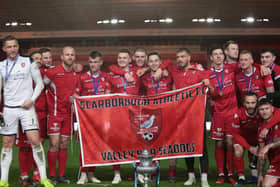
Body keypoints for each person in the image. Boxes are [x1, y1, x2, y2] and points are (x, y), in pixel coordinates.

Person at [0, 35, 53, 187]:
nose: (12, 49)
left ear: (18, 47)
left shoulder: (28, 61)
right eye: (9, 47)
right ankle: (3, 180)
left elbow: (40, 84)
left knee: (35, 141)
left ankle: (43, 178)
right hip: (9, 109)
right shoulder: (1, 65)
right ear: (4, 49)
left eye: (14, 46)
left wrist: (32, 99)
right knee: (7, 143)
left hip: (27, 108)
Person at [157, 47, 212, 187]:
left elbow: (212, 87)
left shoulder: (199, 72)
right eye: (178, 57)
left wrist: (208, 84)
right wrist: (160, 69)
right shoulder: (175, 70)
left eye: (183, 56)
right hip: (182, 116)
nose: (180, 59)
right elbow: (167, 61)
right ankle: (191, 175)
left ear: (189, 57)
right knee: (188, 146)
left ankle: (204, 179)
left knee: (202, 146)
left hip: (199, 115)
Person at [44, 46, 79, 184]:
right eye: (67, 55)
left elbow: (75, 91)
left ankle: (61, 175)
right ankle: (52, 175)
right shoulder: (53, 72)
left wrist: (74, 96)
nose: (70, 57)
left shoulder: (75, 74)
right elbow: (42, 86)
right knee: (54, 143)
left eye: (72, 54)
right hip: (54, 114)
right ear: (62, 57)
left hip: (68, 114)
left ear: (74, 57)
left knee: (64, 144)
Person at [75, 51, 110, 184]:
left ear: (101, 62)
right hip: (86, 118)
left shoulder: (106, 77)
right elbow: (76, 95)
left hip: (100, 118)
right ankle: (83, 174)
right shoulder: (82, 77)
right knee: (85, 146)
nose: (93, 65)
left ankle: (91, 174)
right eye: (90, 62)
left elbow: (108, 96)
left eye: (95, 62)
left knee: (95, 146)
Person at [207, 44, 238, 185]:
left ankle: (231, 173)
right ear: (211, 57)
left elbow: (246, 62)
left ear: (224, 56)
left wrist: (260, 66)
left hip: (232, 111)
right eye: (215, 54)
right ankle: (221, 173)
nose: (218, 56)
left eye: (220, 53)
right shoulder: (207, 74)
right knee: (219, 143)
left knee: (230, 142)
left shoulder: (231, 68)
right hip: (218, 113)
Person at [232, 92, 261, 184]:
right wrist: (249, 148)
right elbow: (236, 135)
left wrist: (259, 145)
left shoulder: (262, 112)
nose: (250, 105)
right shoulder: (238, 114)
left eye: (253, 103)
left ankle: (255, 175)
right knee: (238, 150)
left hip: (256, 139)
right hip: (242, 138)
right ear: (244, 103)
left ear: (257, 103)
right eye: (248, 103)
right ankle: (241, 176)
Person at [257, 98, 280, 187]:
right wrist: (260, 174)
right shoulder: (260, 129)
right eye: (261, 109)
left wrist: (269, 146)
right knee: (266, 185)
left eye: (267, 108)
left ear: (272, 109)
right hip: (276, 160)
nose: (264, 112)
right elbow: (262, 154)